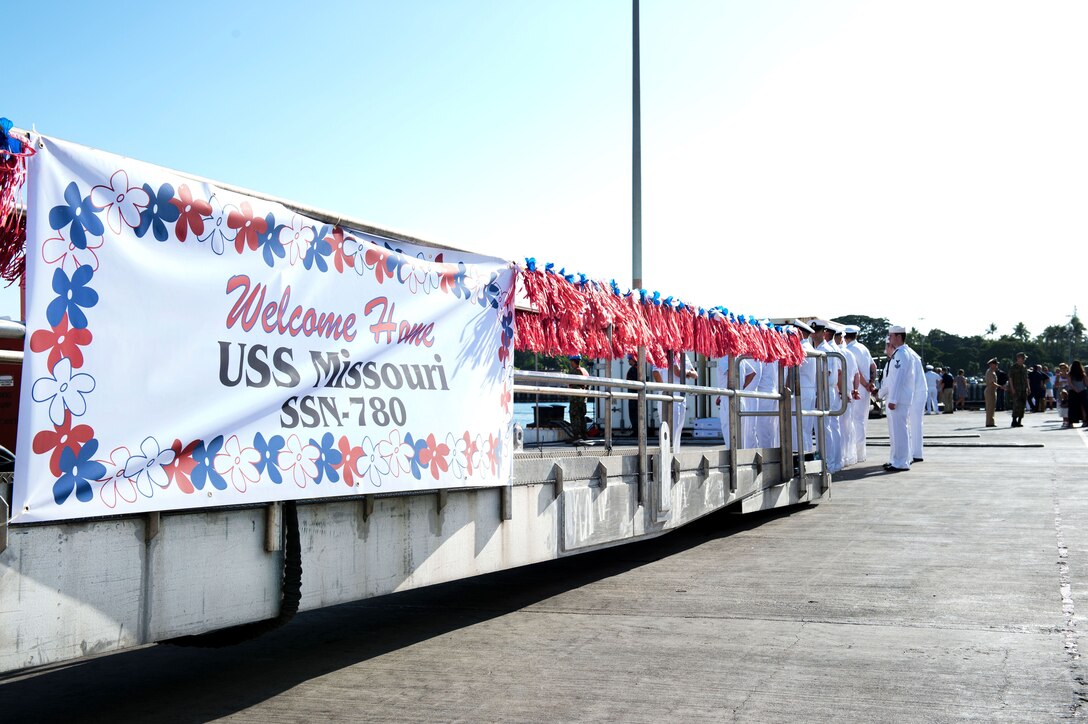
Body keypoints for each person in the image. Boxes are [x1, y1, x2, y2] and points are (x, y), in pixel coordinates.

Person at [879, 325, 915, 471]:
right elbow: (891, 379)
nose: (890, 338)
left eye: (891, 336)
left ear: (899, 336)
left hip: (899, 400)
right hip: (897, 398)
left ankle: (901, 462)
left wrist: (893, 400)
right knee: (896, 432)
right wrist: (882, 394)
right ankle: (896, 459)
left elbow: (899, 379)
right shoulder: (899, 353)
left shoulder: (901, 354)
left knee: (900, 432)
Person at [652, 351, 698, 452]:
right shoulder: (661, 352)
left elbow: (695, 374)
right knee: (668, 429)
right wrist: (664, 389)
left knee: (678, 429)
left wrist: (687, 372)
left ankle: (675, 456)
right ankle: (667, 456)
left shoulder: (682, 354)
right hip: (667, 395)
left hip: (681, 395)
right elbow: (657, 372)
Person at [844, 325, 876, 463]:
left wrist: (865, 384)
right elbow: (873, 366)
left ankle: (856, 454)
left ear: (845, 337)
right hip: (866, 388)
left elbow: (857, 372)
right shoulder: (864, 348)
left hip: (857, 387)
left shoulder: (849, 350)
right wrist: (871, 383)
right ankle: (862, 454)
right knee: (862, 420)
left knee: (855, 421)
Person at [815, 321, 843, 472]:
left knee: (825, 429)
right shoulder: (825, 348)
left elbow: (827, 373)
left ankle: (829, 463)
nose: (816, 334)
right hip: (828, 390)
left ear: (823, 332)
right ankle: (835, 462)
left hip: (825, 389)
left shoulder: (824, 349)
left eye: (818, 331)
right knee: (831, 427)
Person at [567, 356, 590, 438]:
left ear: (574, 362)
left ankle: (577, 436)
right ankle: (584, 434)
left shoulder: (576, 371)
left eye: (571, 361)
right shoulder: (585, 371)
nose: (570, 363)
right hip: (583, 399)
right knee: (582, 417)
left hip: (576, 399)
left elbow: (572, 384)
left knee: (574, 416)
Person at [1008, 352, 1029, 427]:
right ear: (1018, 358)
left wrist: (1028, 387)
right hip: (1016, 389)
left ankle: (1019, 421)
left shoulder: (1024, 367)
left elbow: (1026, 378)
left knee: (1022, 405)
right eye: (1022, 358)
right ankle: (1014, 421)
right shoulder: (1013, 367)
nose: (1024, 360)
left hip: (1023, 389)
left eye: (1024, 358)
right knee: (1016, 405)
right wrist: (1012, 388)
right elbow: (1010, 378)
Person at [1068, 360, 1088, 428]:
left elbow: (1070, 384)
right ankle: (1085, 421)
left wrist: (1075, 389)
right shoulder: (1083, 374)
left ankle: (1071, 422)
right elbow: (1086, 384)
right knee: (1083, 407)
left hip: (1073, 392)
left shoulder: (1070, 374)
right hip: (1082, 391)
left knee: (1072, 407)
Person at [625, 355, 640, 432]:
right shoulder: (639, 368)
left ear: (633, 359)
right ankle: (637, 429)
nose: (628, 361)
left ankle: (636, 430)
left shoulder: (634, 369)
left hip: (634, 395)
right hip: (636, 394)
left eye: (629, 359)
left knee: (634, 413)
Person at [983, 358, 1000, 427]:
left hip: (992, 391)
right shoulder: (990, 372)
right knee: (990, 407)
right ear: (992, 365)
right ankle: (989, 423)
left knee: (992, 407)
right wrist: (1001, 386)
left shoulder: (992, 371)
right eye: (996, 364)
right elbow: (992, 383)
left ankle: (991, 422)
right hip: (990, 391)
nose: (997, 365)